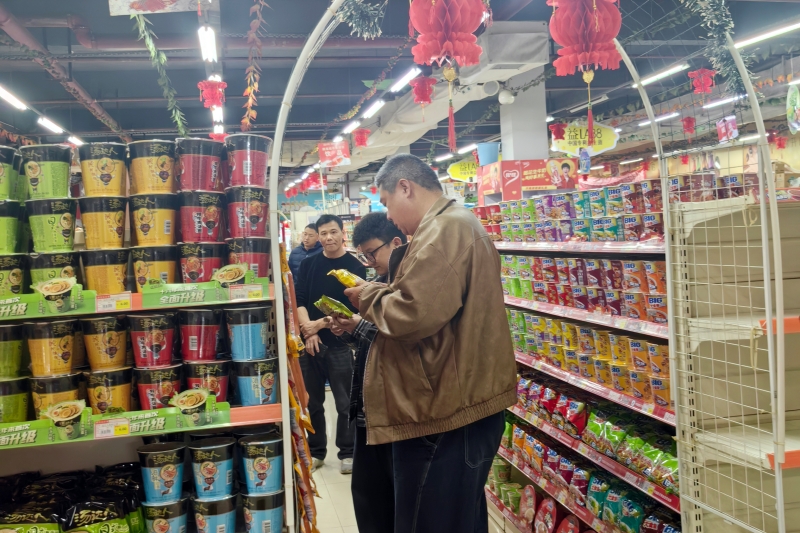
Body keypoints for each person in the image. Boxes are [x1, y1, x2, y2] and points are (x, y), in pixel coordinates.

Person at [341, 154, 517, 532]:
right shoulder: (449, 225)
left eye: (387, 203)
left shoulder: (445, 229)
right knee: (456, 519)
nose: (389, 216)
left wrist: (369, 294)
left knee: (431, 521)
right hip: (453, 404)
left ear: (405, 187)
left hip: (445, 413)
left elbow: (413, 315)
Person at [329, 212, 406, 532]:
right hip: (369, 409)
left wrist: (359, 326)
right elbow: (374, 339)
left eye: (372, 253)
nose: (369, 262)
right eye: (364, 255)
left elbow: (402, 337)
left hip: (395, 412)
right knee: (368, 496)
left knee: (389, 500)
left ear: (396, 243)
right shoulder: (380, 282)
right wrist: (350, 329)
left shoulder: (407, 286)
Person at [294, 214, 366, 474]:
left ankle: (347, 452)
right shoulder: (308, 264)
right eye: (323, 233)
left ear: (342, 233)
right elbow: (299, 299)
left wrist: (319, 325)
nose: (328, 238)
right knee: (312, 401)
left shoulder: (354, 266)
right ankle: (316, 452)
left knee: (345, 402)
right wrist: (308, 330)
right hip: (310, 344)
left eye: (333, 232)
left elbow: (352, 309)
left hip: (340, 343)